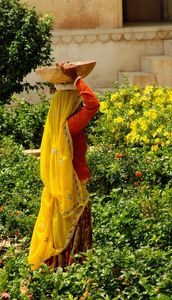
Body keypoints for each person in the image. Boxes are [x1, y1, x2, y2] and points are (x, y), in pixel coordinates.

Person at [28, 63, 100, 270]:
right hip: (75, 185)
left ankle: (60, 267)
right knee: (74, 225)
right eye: (76, 101)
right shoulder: (70, 125)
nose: (79, 104)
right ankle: (72, 268)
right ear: (69, 103)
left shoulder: (61, 126)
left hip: (62, 187)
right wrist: (77, 80)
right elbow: (93, 104)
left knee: (62, 227)